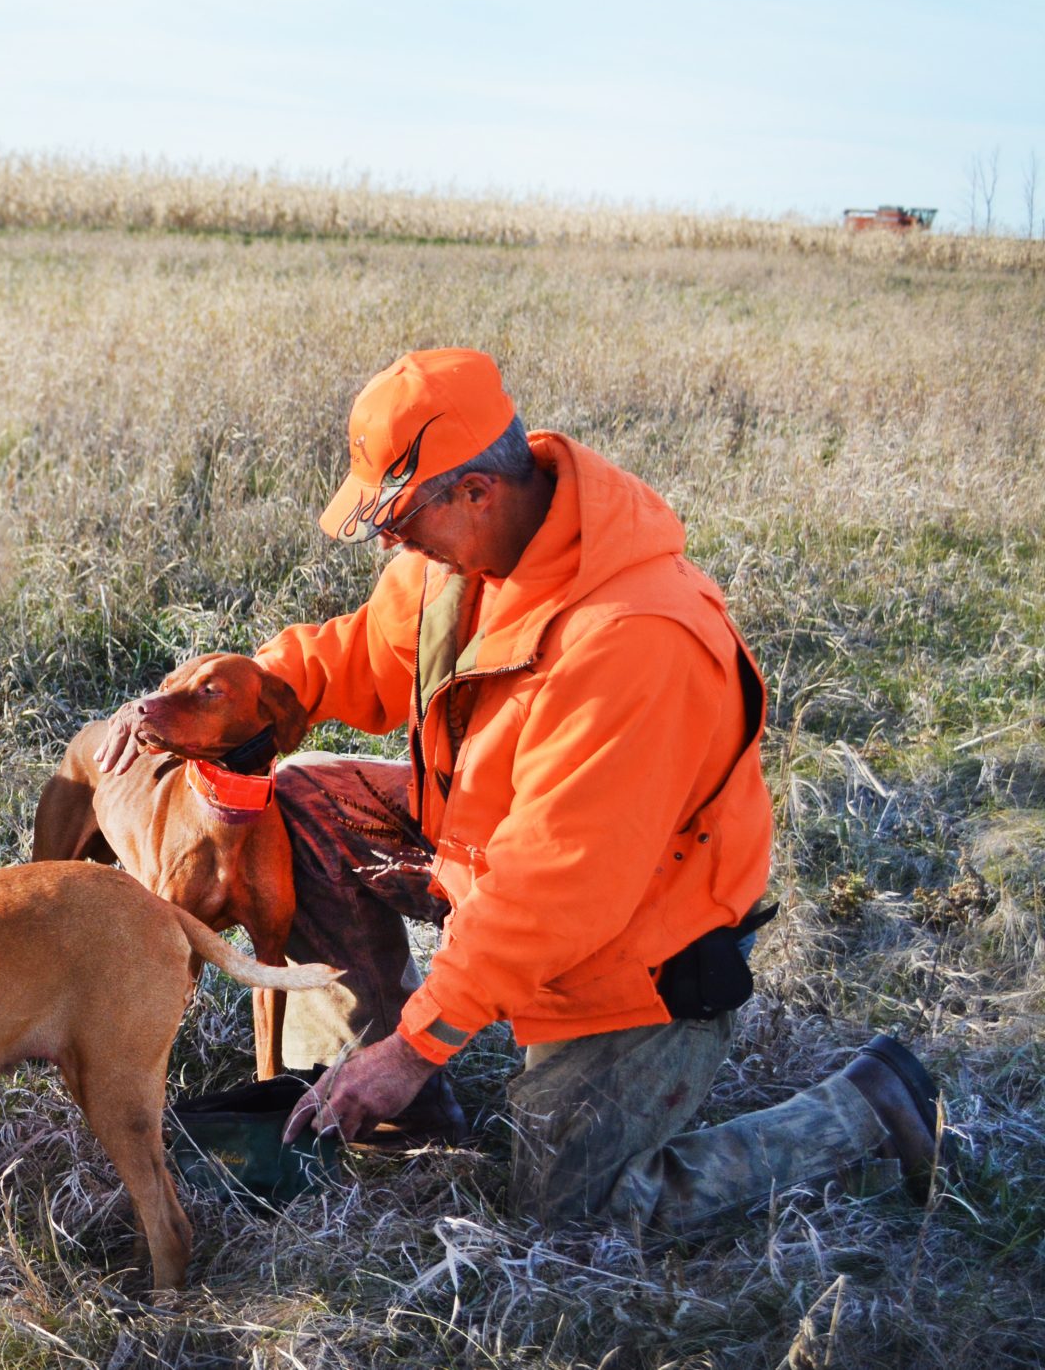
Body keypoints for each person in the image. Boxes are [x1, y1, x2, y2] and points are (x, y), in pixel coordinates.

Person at [97, 348, 949, 1231]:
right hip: (491, 857)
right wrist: (223, 698)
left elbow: (556, 887)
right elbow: (358, 655)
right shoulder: (450, 566)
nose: (388, 540)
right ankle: (389, 1112)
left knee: (573, 1212)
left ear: (476, 491)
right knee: (305, 800)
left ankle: (867, 1107)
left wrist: (423, 1041)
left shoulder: (634, 640)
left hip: (630, 947)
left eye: (396, 517)